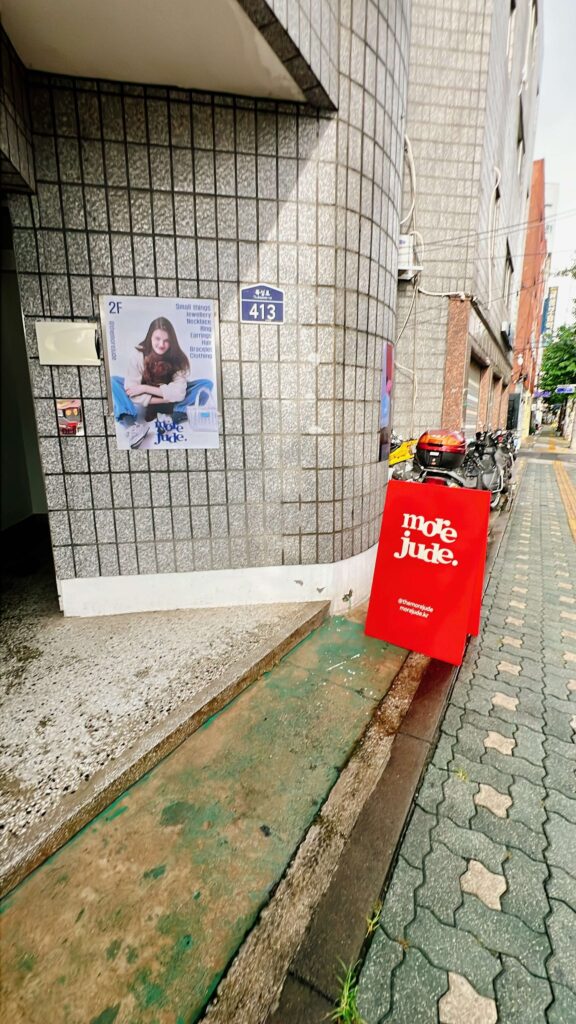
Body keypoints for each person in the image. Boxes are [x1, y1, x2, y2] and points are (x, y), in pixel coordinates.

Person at [111, 317, 212, 448]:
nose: (161, 344)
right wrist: (164, 397)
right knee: (114, 381)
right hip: (157, 398)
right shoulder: (138, 355)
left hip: (170, 400)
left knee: (206, 384)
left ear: (172, 341)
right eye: (157, 339)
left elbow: (179, 394)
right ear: (150, 338)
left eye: (166, 341)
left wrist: (145, 388)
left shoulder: (178, 358)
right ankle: (131, 427)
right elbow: (132, 392)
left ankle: (173, 418)